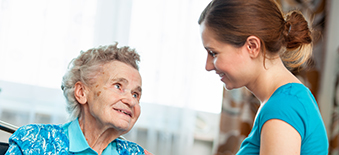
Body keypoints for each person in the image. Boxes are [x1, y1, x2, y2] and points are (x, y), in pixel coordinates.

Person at [198, 0, 329, 154]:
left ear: (252, 46)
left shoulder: (283, 107)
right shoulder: (286, 100)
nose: (208, 66)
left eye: (213, 53)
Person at [6, 43, 152, 155]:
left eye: (135, 94)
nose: (131, 101)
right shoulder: (34, 142)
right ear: (82, 92)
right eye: (118, 86)